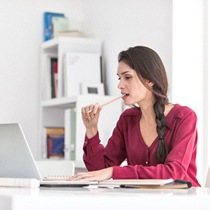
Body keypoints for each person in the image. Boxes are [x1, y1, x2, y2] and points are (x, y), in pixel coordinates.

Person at [69, 46, 201, 186]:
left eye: (128, 77)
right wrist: (91, 130)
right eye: (119, 78)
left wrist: (115, 172)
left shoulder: (184, 117)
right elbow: (99, 171)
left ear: (149, 79)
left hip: (183, 202)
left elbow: (174, 173)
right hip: (141, 202)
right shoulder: (127, 120)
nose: (120, 85)